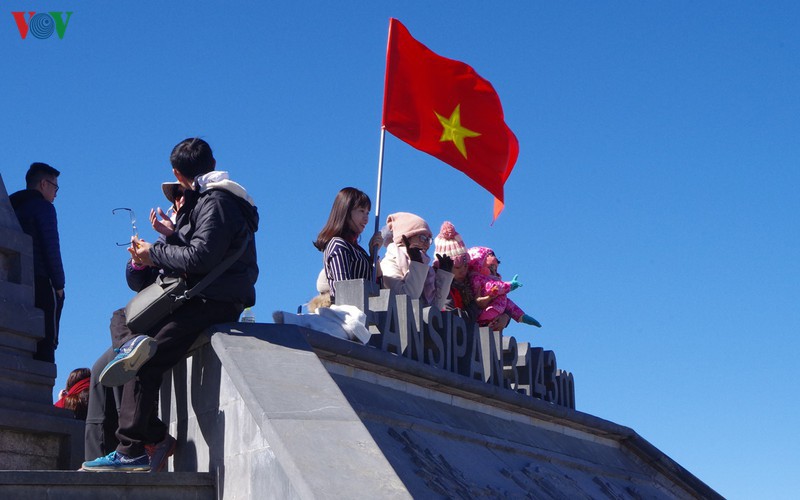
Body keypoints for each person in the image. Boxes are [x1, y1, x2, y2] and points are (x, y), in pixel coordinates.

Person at [82, 138, 259, 472]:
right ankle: (131, 352)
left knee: (145, 359)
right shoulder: (214, 201)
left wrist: (156, 251)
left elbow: (201, 257)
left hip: (213, 299)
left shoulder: (217, 201)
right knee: (123, 320)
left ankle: (133, 449)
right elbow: (196, 254)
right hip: (201, 295)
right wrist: (163, 243)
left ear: (178, 174)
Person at [84, 182, 187, 471]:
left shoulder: (192, 224)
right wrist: (139, 263)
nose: (176, 203)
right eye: (174, 198)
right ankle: (99, 455)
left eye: (180, 195)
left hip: (176, 308)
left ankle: (142, 443)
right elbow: (139, 283)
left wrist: (169, 238)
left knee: (132, 354)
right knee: (100, 369)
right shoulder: (169, 232)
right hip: (156, 308)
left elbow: (197, 259)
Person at [9, 162, 65, 363]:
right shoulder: (44, 208)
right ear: (43, 184)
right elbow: (51, 248)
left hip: (16, 284)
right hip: (42, 282)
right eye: (55, 187)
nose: (56, 193)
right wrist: (59, 286)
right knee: (46, 342)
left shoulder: (12, 207)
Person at [313, 187, 383, 304]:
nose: (366, 219)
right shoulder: (338, 245)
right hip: (349, 312)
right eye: (361, 211)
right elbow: (344, 291)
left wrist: (373, 256)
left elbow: (379, 289)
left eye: (367, 213)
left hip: (366, 311)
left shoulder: (359, 250)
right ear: (346, 211)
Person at [380, 212, 453, 311]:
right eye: (422, 238)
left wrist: (444, 276)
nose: (427, 244)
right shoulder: (389, 262)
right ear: (405, 238)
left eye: (429, 239)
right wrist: (417, 263)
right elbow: (406, 298)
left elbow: (435, 307)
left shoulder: (425, 268)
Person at [468, 246, 541, 329]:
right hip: (484, 315)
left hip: (493, 315)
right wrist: (510, 285)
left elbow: (508, 304)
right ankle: (486, 323)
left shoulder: (491, 282)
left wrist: (521, 316)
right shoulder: (477, 278)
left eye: (495, 268)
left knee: (505, 301)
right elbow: (492, 287)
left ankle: (520, 318)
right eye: (491, 267)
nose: (494, 270)